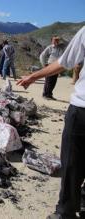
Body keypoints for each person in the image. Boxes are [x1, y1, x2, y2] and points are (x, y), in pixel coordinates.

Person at [17, 26, 85, 219]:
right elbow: (63, 61)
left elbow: (65, 62)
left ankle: (68, 211)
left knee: (72, 164)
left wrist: (33, 76)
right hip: (81, 109)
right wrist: (34, 75)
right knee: (72, 164)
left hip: (81, 110)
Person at [40, 36, 65, 100]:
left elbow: (68, 43)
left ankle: (49, 94)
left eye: (57, 40)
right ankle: (45, 94)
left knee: (53, 81)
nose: (56, 41)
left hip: (57, 66)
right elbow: (42, 56)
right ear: (51, 41)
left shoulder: (61, 46)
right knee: (48, 80)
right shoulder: (50, 47)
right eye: (54, 40)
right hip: (50, 65)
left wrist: (61, 38)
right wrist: (44, 64)